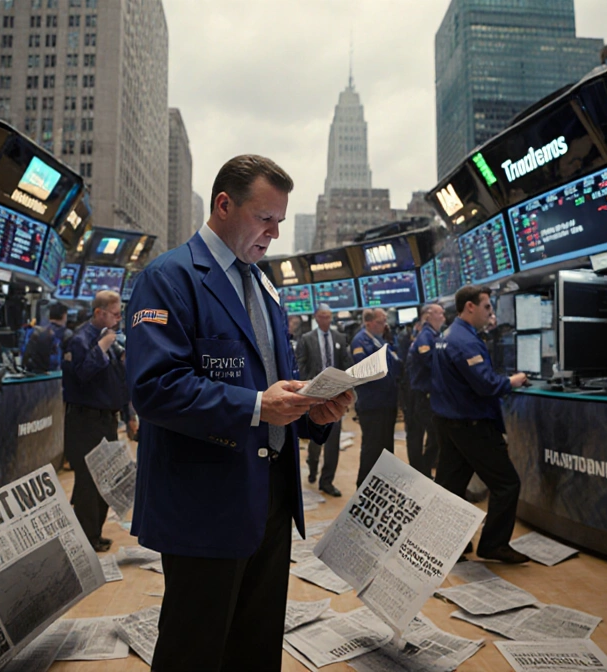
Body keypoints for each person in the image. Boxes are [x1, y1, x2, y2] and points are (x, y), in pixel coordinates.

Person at [126, 155, 353, 670]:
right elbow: (154, 388)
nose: (274, 233)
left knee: (256, 647)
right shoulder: (169, 278)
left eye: (280, 220)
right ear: (224, 205)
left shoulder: (263, 284)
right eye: (265, 218)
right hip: (205, 504)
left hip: (270, 497)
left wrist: (311, 412)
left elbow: (274, 379)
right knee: (194, 651)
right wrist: (257, 406)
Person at [432, 285, 530, 564]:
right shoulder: (465, 341)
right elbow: (486, 385)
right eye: (487, 306)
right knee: (506, 483)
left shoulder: (446, 335)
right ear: (470, 307)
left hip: (450, 422)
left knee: (451, 486)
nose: (491, 312)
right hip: (472, 424)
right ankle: (494, 544)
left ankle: (449, 545)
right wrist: (512, 381)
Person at [62, 289, 135, 552]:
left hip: (107, 421)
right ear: (99, 312)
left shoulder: (111, 339)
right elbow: (82, 374)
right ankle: (86, 537)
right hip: (85, 422)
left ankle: (96, 532)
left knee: (107, 480)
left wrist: (128, 415)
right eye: (114, 314)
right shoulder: (79, 339)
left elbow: (120, 382)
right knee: (88, 483)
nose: (118, 319)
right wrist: (102, 347)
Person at [296, 304, 353, 497]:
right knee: (316, 438)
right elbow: (301, 365)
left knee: (333, 441)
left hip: (335, 396)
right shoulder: (307, 339)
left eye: (329, 316)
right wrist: (307, 389)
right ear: (316, 317)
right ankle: (312, 465)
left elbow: (345, 364)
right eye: (322, 316)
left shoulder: (339, 338)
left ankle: (327, 481)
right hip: (314, 395)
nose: (326, 320)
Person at [351, 307, 401, 487]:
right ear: (368, 323)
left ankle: (384, 485)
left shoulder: (381, 340)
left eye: (385, 322)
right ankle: (363, 488)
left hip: (387, 402)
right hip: (372, 404)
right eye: (380, 322)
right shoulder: (360, 341)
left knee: (386, 447)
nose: (384, 325)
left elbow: (396, 363)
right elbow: (364, 370)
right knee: (372, 448)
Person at [405, 303, 444, 477]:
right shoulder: (426, 337)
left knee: (434, 436)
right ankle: (422, 472)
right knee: (433, 435)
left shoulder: (433, 335)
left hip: (427, 394)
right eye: (439, 313)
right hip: (423, 395)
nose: (443, 316)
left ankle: (424, 472)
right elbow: (430, 362)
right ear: (428, 316)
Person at [23, 303, 69, 372]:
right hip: (54, 372)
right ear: (64, 316)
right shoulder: (66, 334)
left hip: (33, 370)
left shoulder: (36, 331)